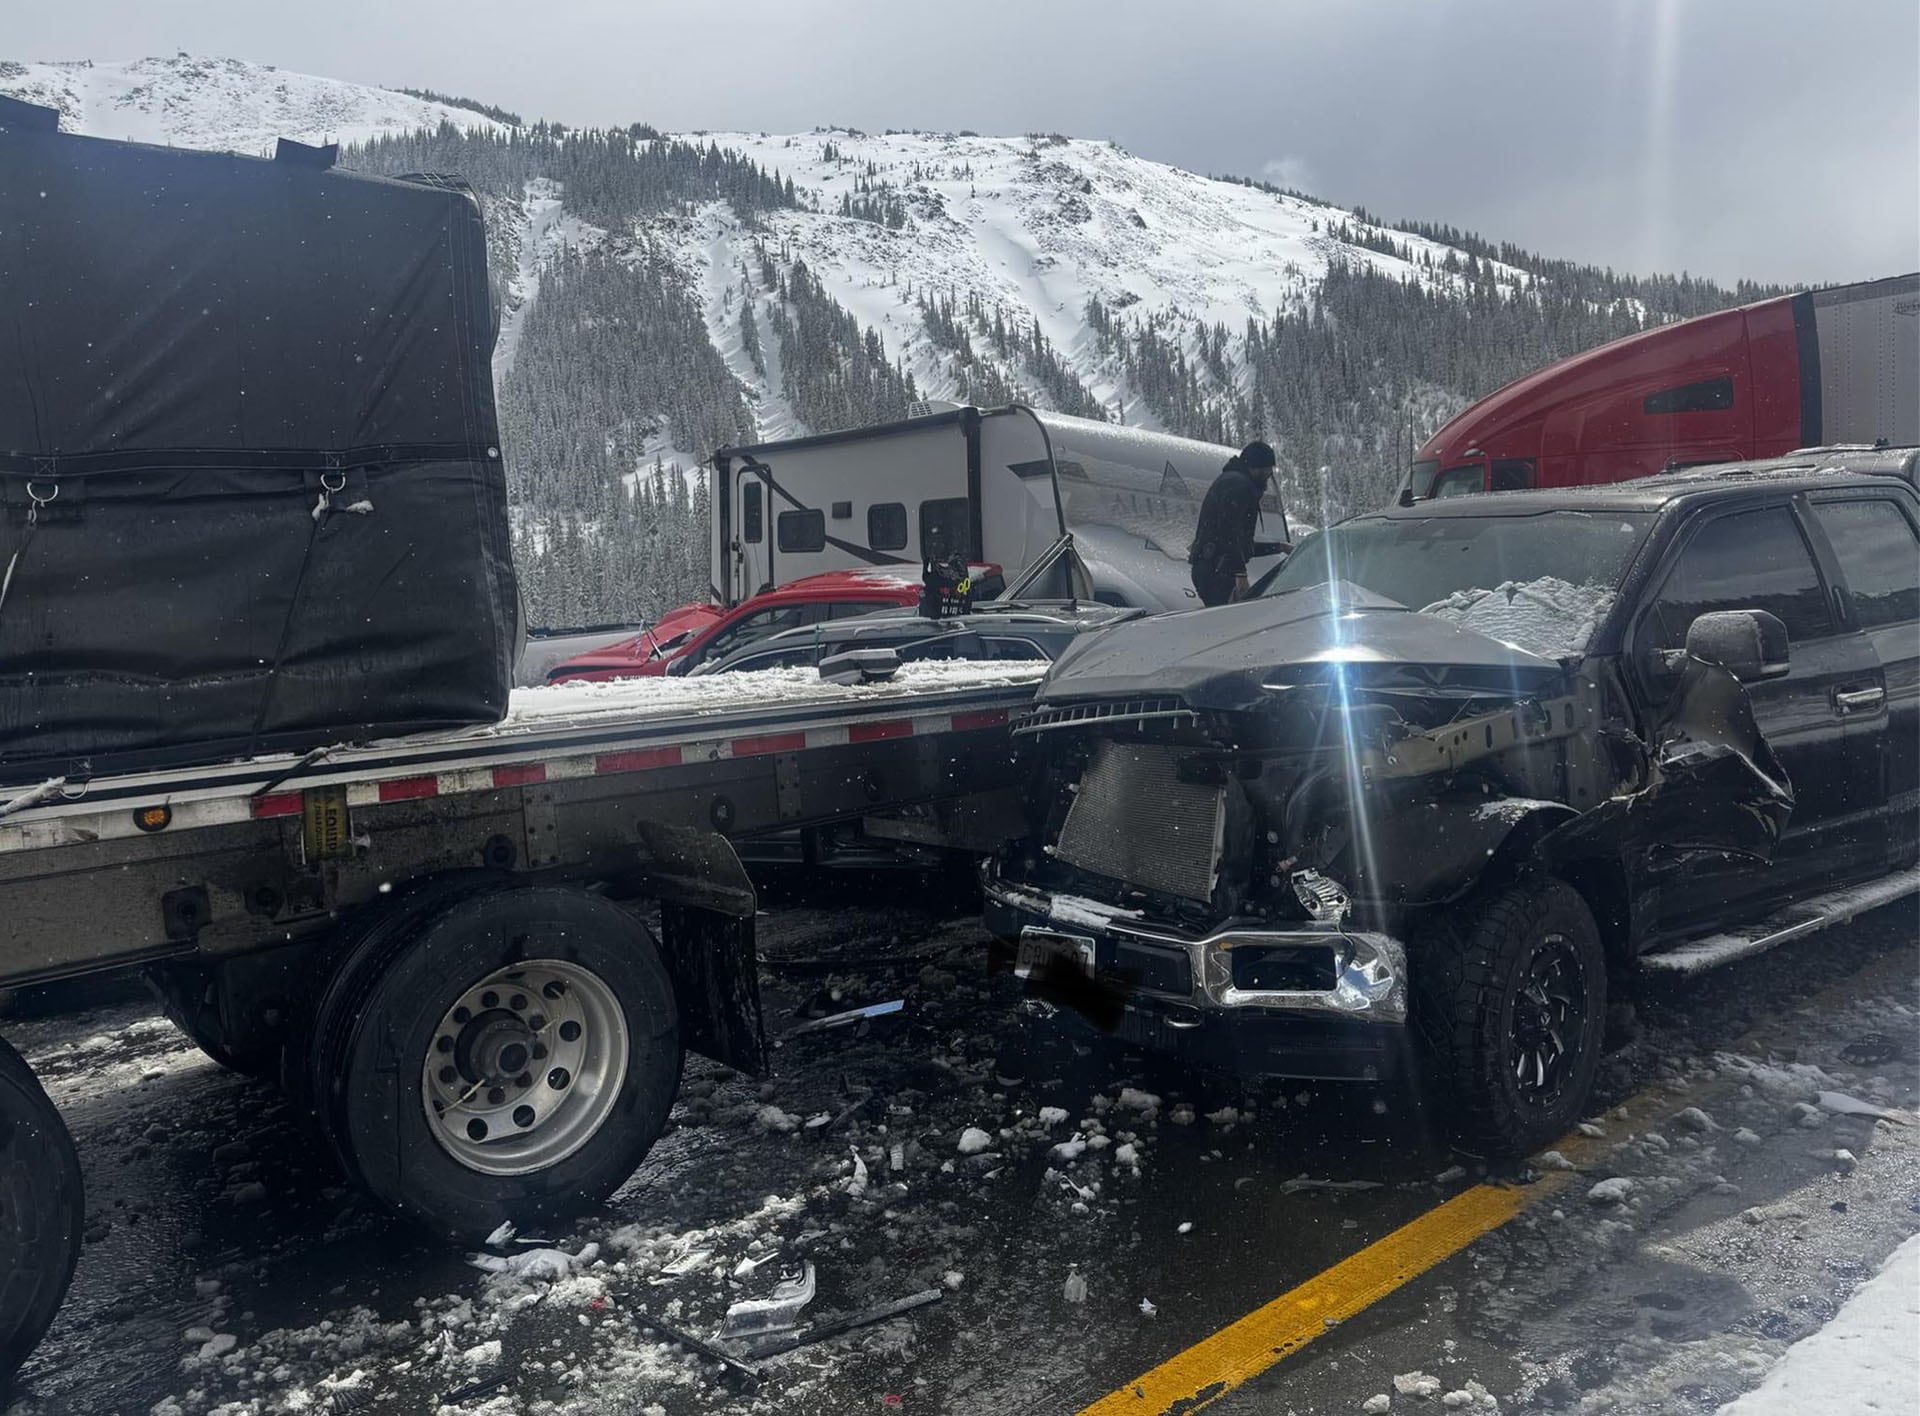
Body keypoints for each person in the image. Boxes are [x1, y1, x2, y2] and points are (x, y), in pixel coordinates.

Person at [1189, 440, 1283, 607]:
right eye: (1267, 469)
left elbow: (1240, 543)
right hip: (1218, 571)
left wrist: (1279, 547)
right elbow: (1228, 533)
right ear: (1256, 467)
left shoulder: (1235, 481)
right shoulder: (1238, 486)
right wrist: (1240, 573)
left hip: (1213, 567)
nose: (1269, 474)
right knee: (1231, 618)